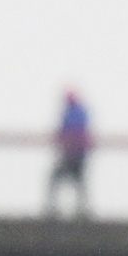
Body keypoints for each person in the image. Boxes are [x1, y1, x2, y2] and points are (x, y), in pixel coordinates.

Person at [46, 87, 95, 218]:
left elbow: (69, 132)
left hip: (74, 154)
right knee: (75, 181)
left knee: (61, 179)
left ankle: (79, 209)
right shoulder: (75, 112)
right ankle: (80, 209)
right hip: (74, 153)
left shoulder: (75, 113)